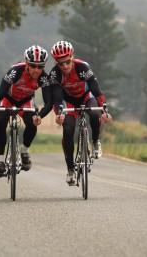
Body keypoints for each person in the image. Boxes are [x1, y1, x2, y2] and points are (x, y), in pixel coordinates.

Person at [49, 41, 112, 186]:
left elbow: (96, 91)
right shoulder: (55, 74)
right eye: (60, 63)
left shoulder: (83, 67)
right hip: (68, 102)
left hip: (86, 96)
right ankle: (70, 169)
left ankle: (95, 141)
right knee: (68, 128)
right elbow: (57, 98)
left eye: (67, 61)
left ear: (72, 57)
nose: (64, 66)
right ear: (56, 62)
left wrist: (105, 110)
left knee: (95, 115)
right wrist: (59, 114)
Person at [0, 45, 52, 177]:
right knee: (1, 121)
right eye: (33, 66)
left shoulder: (44, 78)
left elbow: (49, 102)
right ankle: (0, 161)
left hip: (26, 100)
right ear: (26, 63)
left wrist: (40, 116)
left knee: (32, 122)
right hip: (8, 98)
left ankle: (24, 151)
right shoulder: (16, 71)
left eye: (40, 67)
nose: (37, 70)